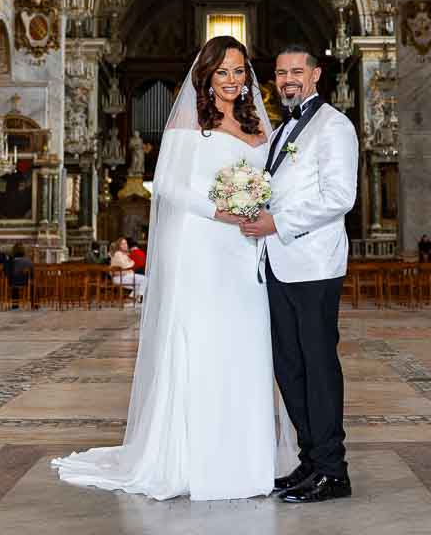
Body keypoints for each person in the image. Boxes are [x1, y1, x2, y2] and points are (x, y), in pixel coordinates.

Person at [53, 35, 290, 501]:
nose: (231, 80)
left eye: (239, 71)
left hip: (245, 253)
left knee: (245, 344)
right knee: (198, 343)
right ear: (206, 76)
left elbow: (270, 186)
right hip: (201, 248)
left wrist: (255, 208)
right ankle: (189, 458)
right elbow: (166, 187)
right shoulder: (188, 124)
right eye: (222, 71)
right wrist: (220, 211)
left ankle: (247, 459)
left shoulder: (260, 130)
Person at [240, 43, 359, 503]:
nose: (287, 78)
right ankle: (311, 461)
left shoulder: (334, 126)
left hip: (313, 264)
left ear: (315, 74)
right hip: (277, 262)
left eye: (296, 71)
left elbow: (339, 196)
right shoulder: (283, 129)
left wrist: (278, 222)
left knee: (318, 365)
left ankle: (333, 469)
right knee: (289, 366)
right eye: (280, 72)